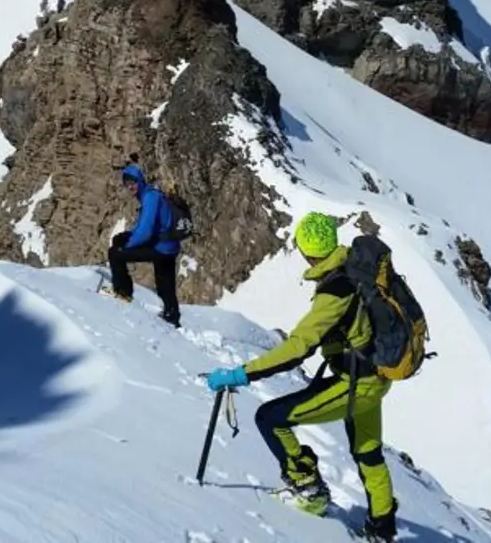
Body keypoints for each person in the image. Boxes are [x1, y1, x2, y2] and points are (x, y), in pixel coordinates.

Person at [203, 212, 397, 542]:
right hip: (376, 377)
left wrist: (240, 375)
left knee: (270, 418)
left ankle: (309, 490)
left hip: (356, 385)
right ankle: (382, 526)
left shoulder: (335, 291)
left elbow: (297, 348)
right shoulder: (354, 270)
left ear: (308, 251)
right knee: (369, 454)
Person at [102, 163, 181, 327]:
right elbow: (142, 227)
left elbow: (144, 231)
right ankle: (172, 315)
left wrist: (127, 246)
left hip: (162, 247)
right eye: (127, 184)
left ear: (140, 181)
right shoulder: (149, 194)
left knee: (116, 253)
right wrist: (126, 238)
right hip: (168, 244)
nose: (130, 187)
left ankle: (123, 293)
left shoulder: (150, 197)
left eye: (133, 182)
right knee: (164, 282)